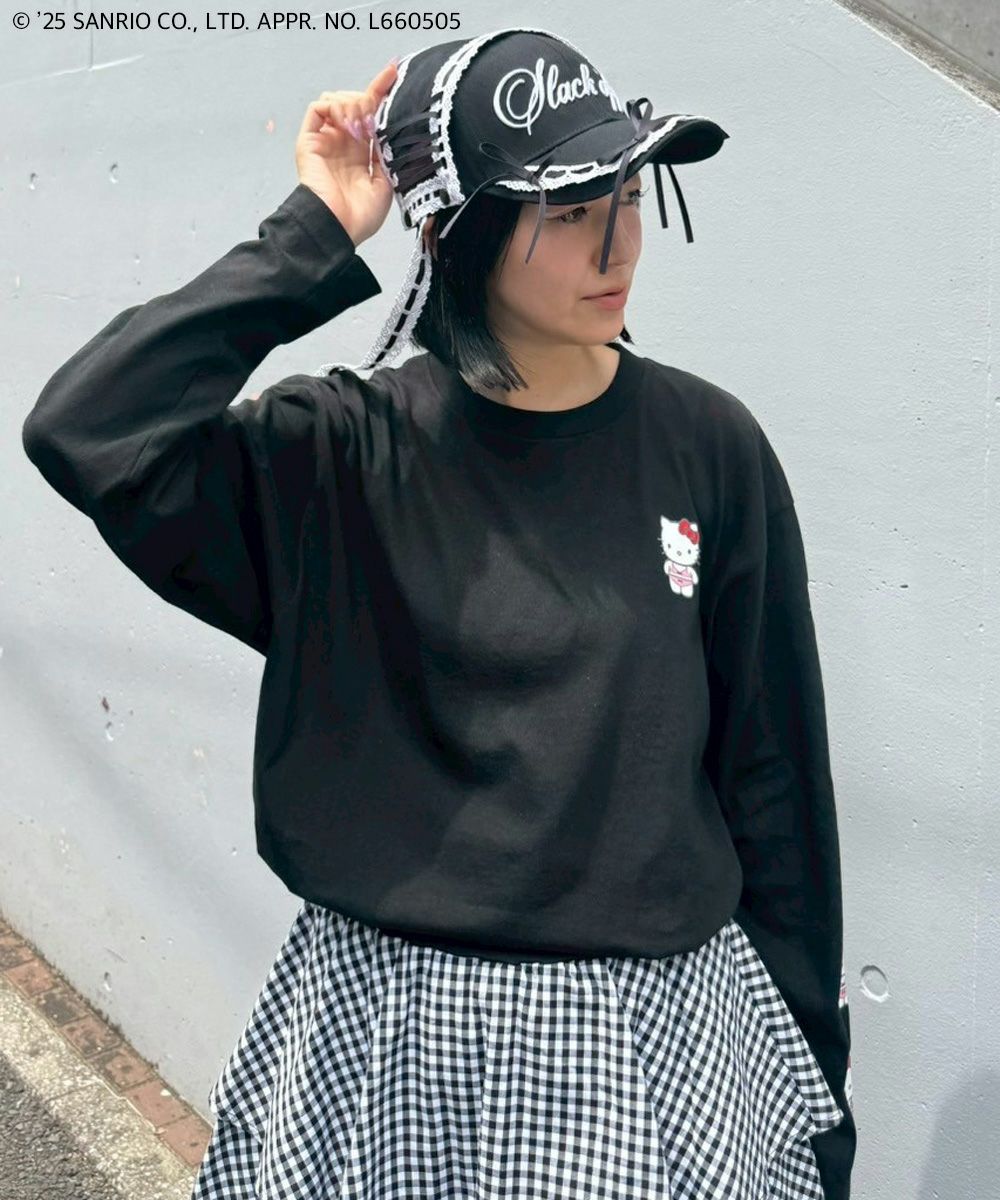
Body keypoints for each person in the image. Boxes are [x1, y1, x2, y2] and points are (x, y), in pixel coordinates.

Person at [22, 26, 856, 1200]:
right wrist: (315, 228)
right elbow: (89, 429)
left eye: (626, 195)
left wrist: (812, 1073)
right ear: (452, 227)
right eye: (570, 211)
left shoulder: (707, 447)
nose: (618, 243)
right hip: (386, 1032)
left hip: (654, 1033)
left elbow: (774, 778)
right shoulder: (342, 456)